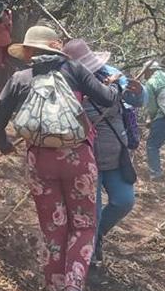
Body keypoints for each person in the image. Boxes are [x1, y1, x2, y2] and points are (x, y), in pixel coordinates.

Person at [0, 26, 120, 291]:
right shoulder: (73, 69)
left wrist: (5, 146)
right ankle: (74, 289)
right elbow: (107, 99)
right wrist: (112, 86)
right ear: (55, 49)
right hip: (77, 158)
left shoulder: (20, 79)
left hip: (39, 162)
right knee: (84, 224)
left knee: (54, 227)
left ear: (30, 52)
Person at [62, 39, 144, 271]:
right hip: (87, 157)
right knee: (92, 213)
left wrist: (138, 93)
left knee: (124, 201)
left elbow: (135, 101)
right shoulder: (68, 84)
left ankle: (95, 238)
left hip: (117, 155)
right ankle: (86, 257)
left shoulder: (113, 74)